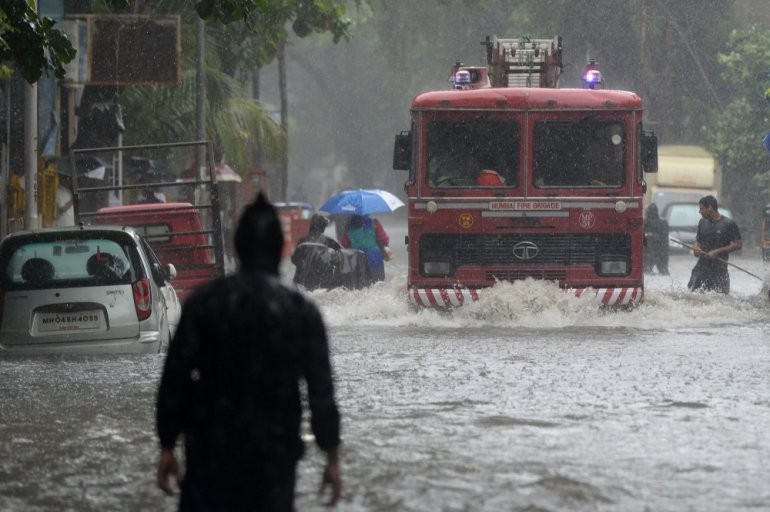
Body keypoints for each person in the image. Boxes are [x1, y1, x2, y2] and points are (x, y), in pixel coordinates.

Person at [155, 193, 342, 511]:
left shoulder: (203, 303)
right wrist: (331, 457)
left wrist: (168, 445)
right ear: (278, 249)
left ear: (237, 247)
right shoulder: (301, 311)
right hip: (273, 458)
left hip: (211, 452)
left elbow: (175, 378)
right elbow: (320, 392)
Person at [687, 195, 742, 294]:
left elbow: (738, 244)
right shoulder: (702, 222)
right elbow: (698, 240)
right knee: (692, 296)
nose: (700, 212)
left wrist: (717, 251)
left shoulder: (729, 224)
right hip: (701, 268)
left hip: (719, 269)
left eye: (701, 209)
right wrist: (696, 248)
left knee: (719, 299)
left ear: (710, 208)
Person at [291, 214, 342, 290]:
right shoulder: (328, 241)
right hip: (320, 281)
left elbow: (294, 259)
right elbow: (340, 254)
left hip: (301, 280)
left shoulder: (302, 240)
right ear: (322, 227)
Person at [341, 214, 392, 282]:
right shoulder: (374, 222)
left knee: (359, 286)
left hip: (356, 261)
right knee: (378, 284)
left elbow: (344, 244)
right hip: (374, 260)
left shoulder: (348, 226)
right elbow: (384, 240)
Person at [643, 203, 669, 275]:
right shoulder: (663, 222)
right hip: (659, 252)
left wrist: (650, 235)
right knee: (663, 272)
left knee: (648, 272)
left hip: (652, 252)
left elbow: (664, 237)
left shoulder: (645, 223)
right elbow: (665, 238)